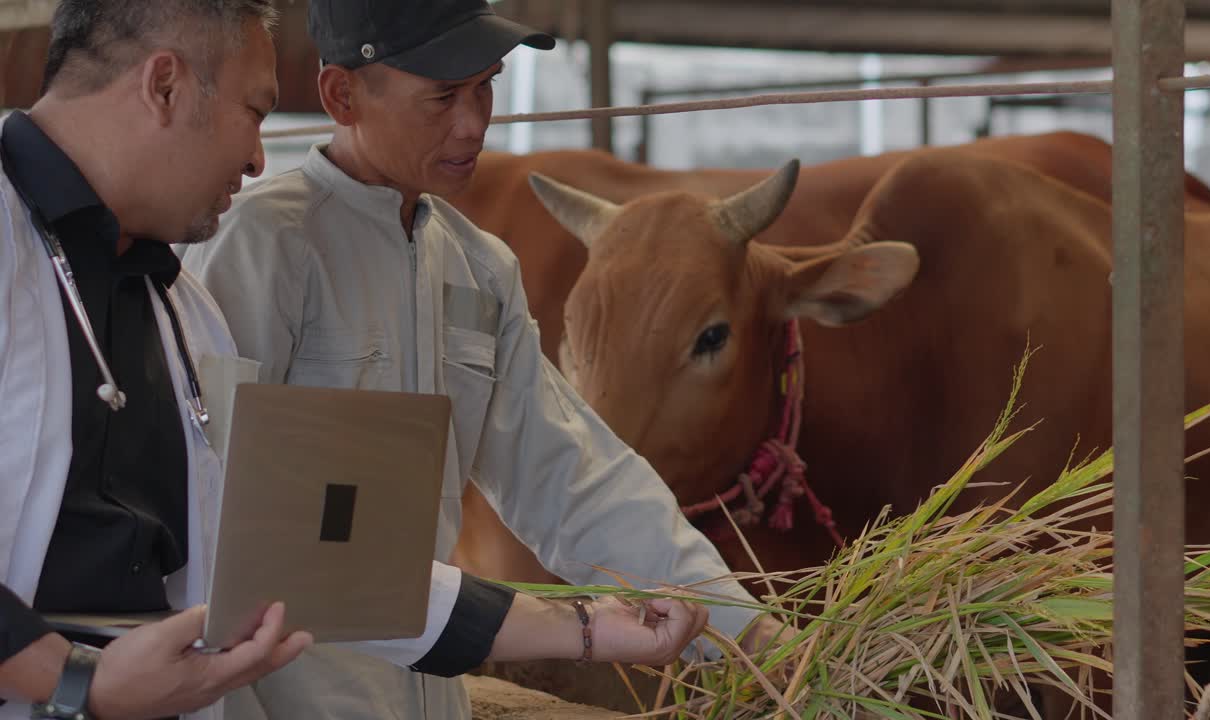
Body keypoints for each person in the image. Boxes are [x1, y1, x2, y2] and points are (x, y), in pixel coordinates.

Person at [0, 2, 711, 719]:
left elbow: (312, 547)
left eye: (486, 88)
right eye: (255, 110)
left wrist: (593, 629)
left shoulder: (181, 309)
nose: (256, 158)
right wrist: (70, 677)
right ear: (164, 87)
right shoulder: (253, 250)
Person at [182, 1, 793, 718]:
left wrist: (743, 629)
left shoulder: (478, 269)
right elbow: (214, 514)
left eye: (484, 87)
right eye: (442, 96)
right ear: (341, 96)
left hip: (433, 695)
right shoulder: (264, 248)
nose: (474, 124)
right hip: (294, 698)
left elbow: (573, 476)